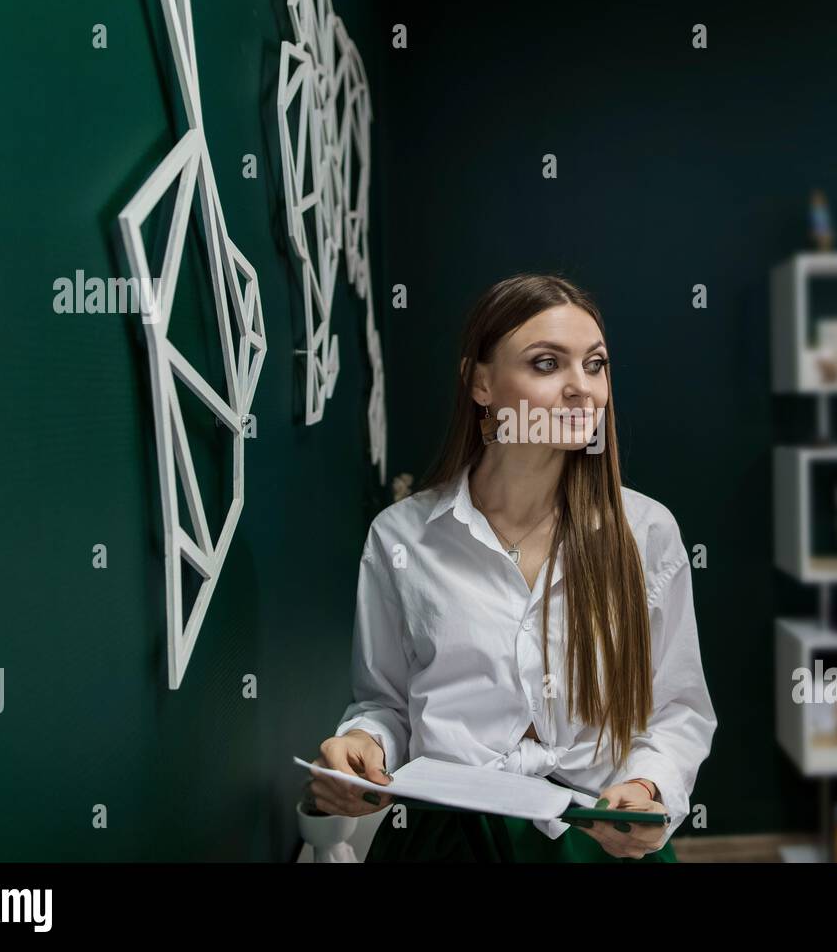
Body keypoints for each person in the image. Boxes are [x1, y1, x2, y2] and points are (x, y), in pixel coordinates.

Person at [307, 272, 717, 861]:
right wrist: (360, 743)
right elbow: (386, 704)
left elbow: (678, 708)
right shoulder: (401, 537)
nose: (582, 388)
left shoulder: (647, 533)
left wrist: (651, 786)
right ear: (480, 382)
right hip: (447, 844)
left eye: (595, 364)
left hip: (599, 838)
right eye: (547, 364)